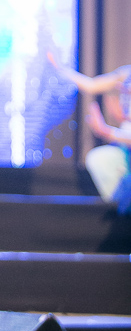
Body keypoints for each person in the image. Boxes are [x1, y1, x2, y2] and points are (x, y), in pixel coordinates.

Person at [48, 53, 131, 214]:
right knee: (99, 159)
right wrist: (60, 67)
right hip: (125, 147)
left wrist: (108, 132)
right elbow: (91, 84)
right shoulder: (126, 74)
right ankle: (119, 211)